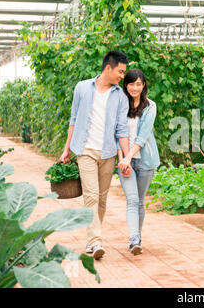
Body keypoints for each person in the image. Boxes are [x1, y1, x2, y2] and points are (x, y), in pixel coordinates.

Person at [59, 50, 132, 260]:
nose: (122, 76)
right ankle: (96, 241)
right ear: (108, 68)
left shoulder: (120, 96)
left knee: (101, 198)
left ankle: (91, 240)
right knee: (91, 195)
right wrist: (66, 149)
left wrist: (125, 158)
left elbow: (122, 130)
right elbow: (73, 119)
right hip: (85, 150)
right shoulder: (82, 87)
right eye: (120, 71)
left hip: (108, 153)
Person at [117, 68, 160, 255]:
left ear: (143, 86)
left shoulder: (150, 106)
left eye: (139, 84)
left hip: (144, 160)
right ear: (125, 85)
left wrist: (128, 157)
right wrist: (122, 160)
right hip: (124, 161)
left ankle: (137, 238)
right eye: (131, 83)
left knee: (140, 201)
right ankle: (134, 238)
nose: (135, 87)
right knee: (132, 200)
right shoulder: (120, 105)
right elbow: (117, 133)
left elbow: (142, 137)